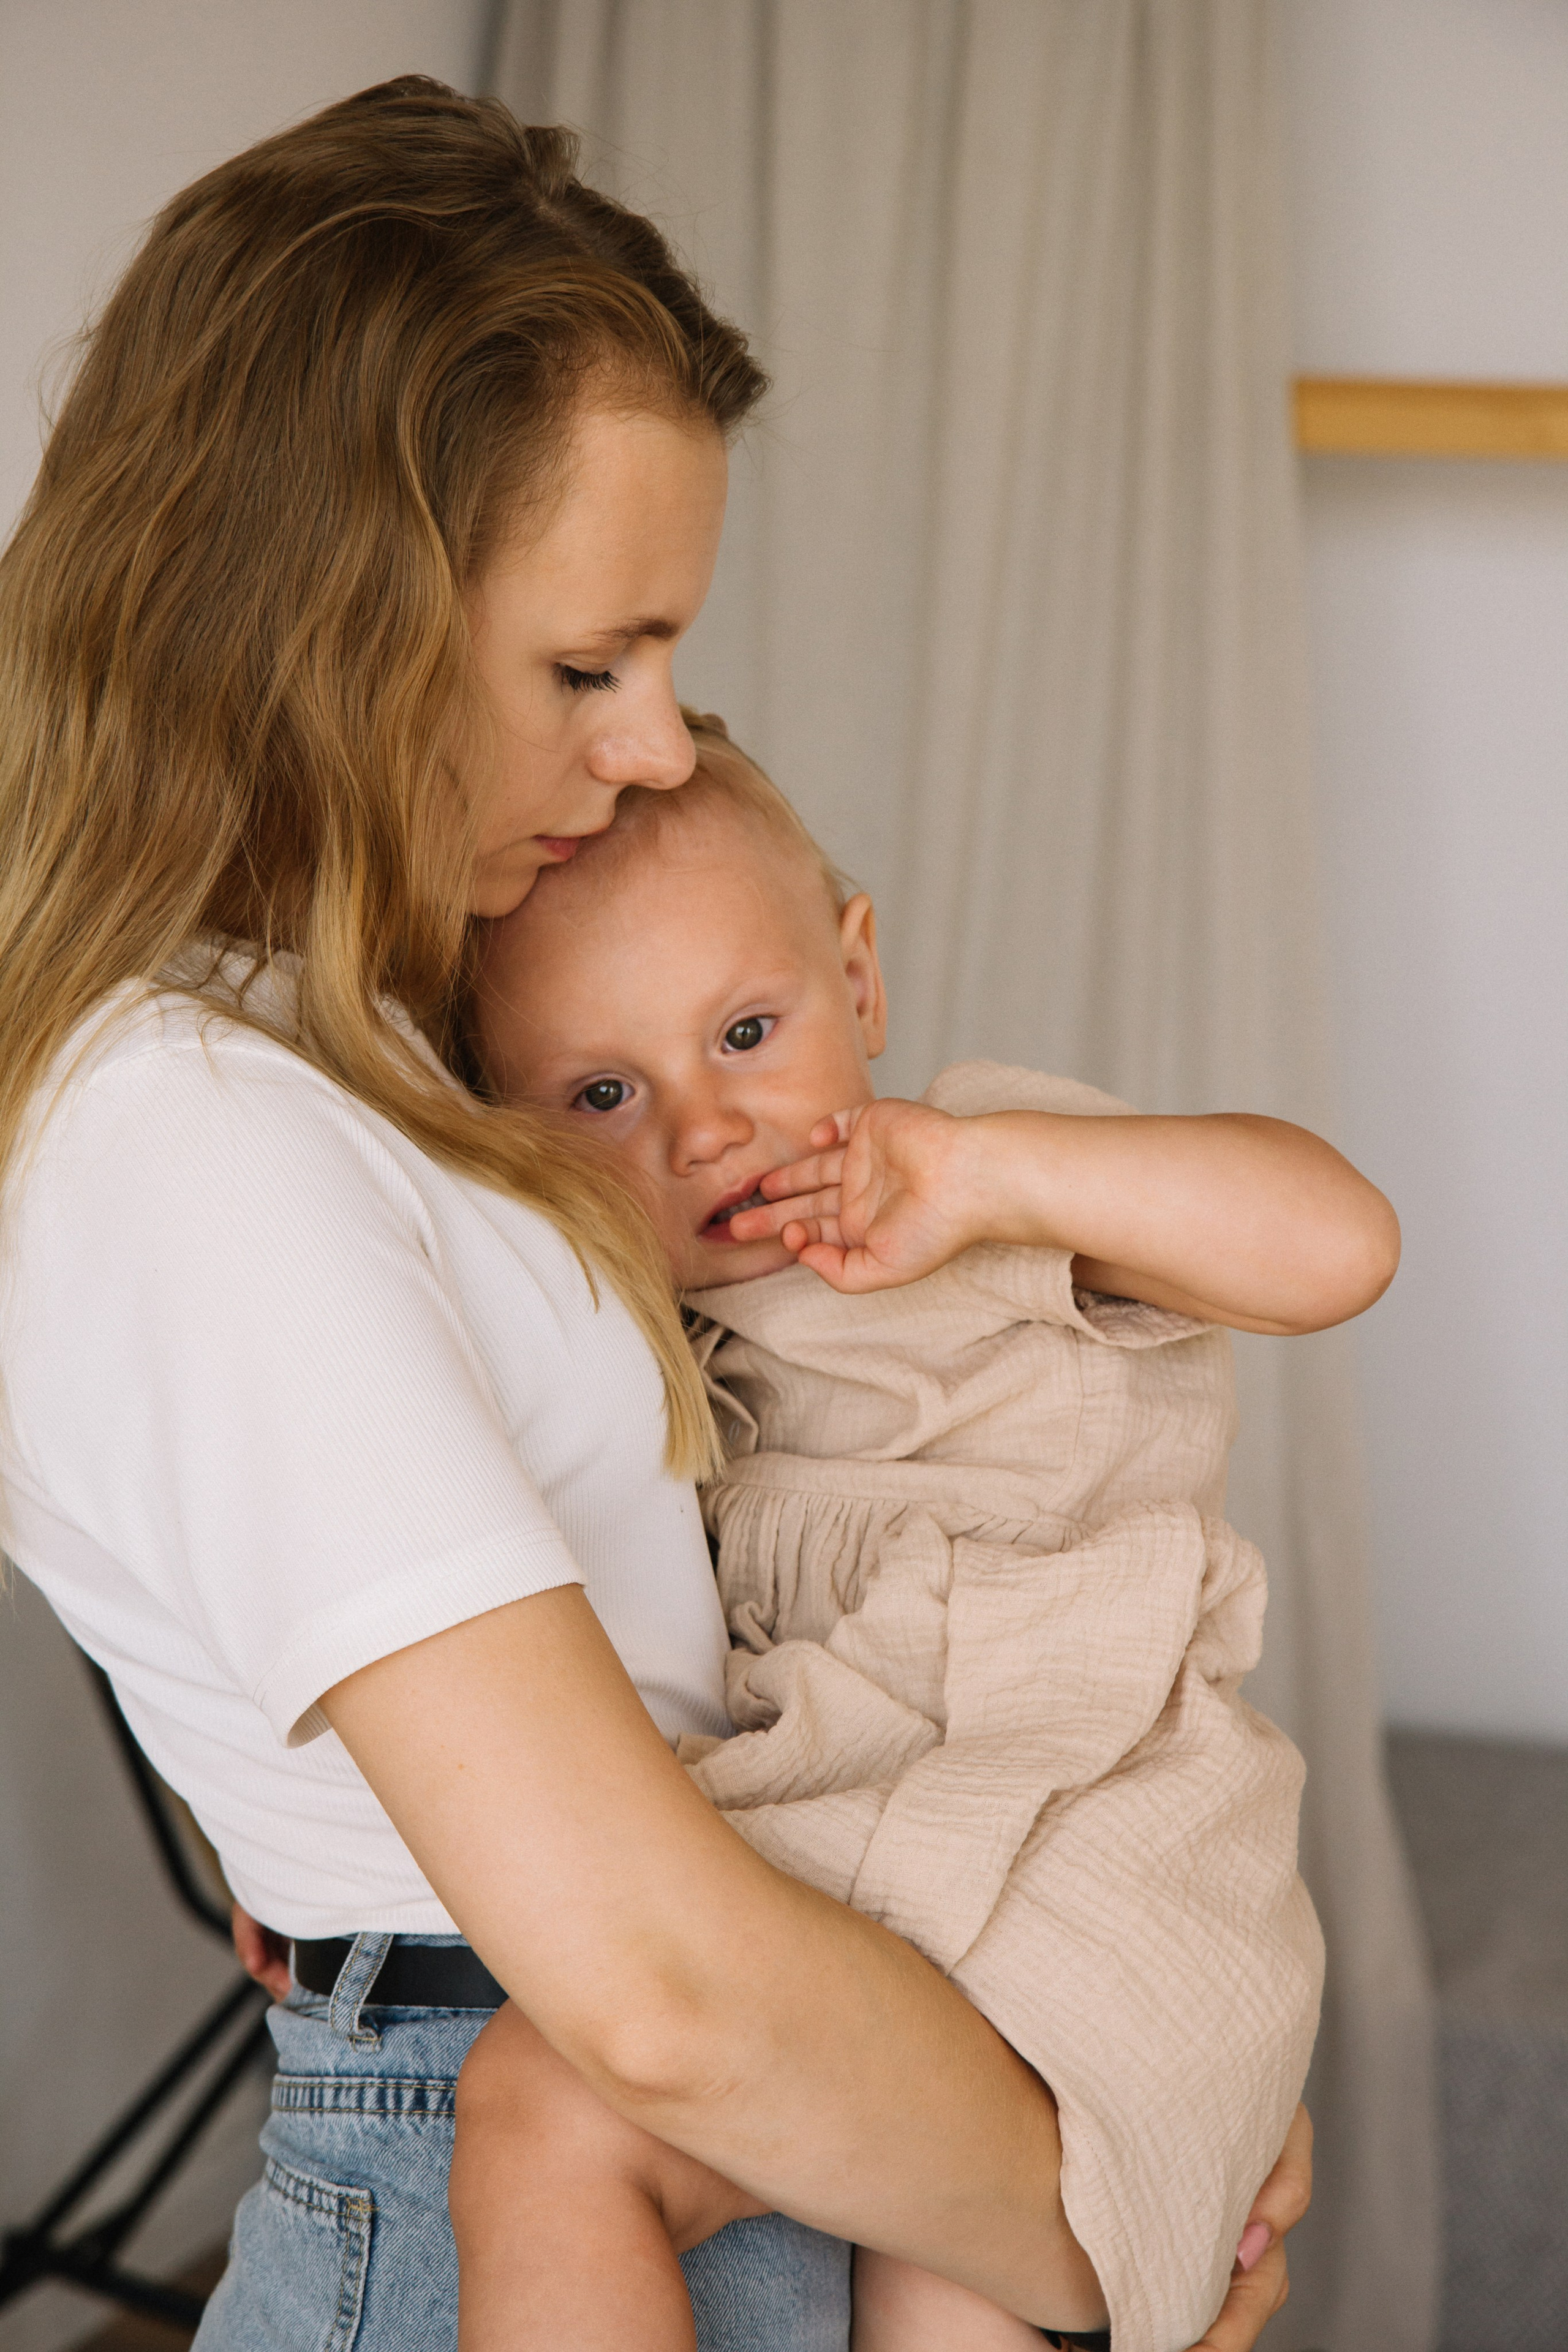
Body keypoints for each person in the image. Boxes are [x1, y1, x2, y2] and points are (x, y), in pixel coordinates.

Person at [0, 75, 1309, 2352]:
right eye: (585, 666)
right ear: (334, 620)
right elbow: (658, 1994)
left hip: (773, 2079)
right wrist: (1104, 2185)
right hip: (555, 2116)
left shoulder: (365, 1060)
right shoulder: (186, 1134)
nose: (662, 749)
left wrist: (1114, 2031)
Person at [458, 717, 1394, 2352]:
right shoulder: (616, 1354)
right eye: (603, 1093)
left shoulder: (976, 1199)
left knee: (919, 2269)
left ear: (859, 979)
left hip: (1097, 1863)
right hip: (855, 1892)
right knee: (562, 2124)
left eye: (748, 1030)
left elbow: (1340, 1244)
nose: (703, 1129)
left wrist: (994, 1174)